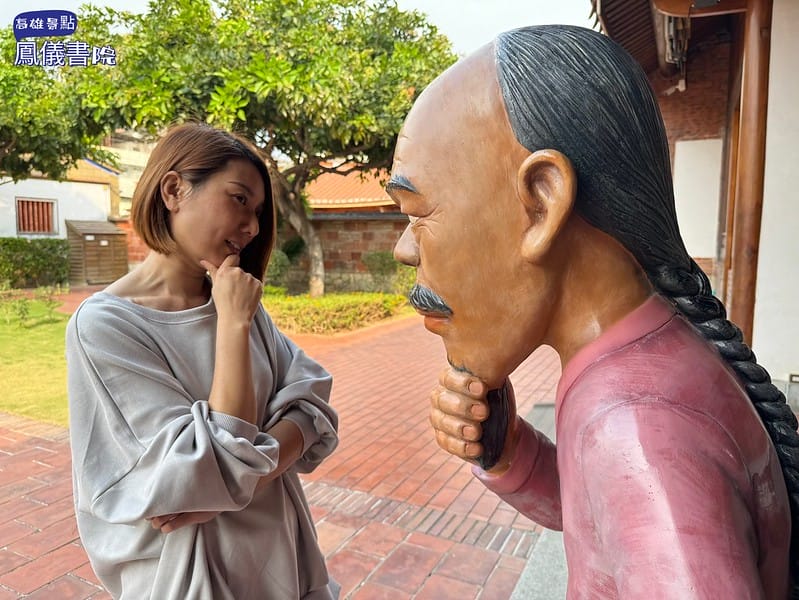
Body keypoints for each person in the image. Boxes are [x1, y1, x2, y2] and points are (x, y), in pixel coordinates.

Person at [389, 25, 797, 598]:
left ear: (542, 203)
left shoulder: (634, 423)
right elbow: (606, 515)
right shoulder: (645, 359)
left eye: (417, 212)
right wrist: (508, 449)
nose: (403, 249)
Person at [66, 122, 340, 599]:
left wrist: (237, 479)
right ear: (174, 189)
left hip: (283, 557)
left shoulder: (235, 299)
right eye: (239, 200)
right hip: (190, 576)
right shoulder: (106, 327)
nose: (253, 227)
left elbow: (313, 404)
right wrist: (232, 325)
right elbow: (208, 464)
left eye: (256, 211)